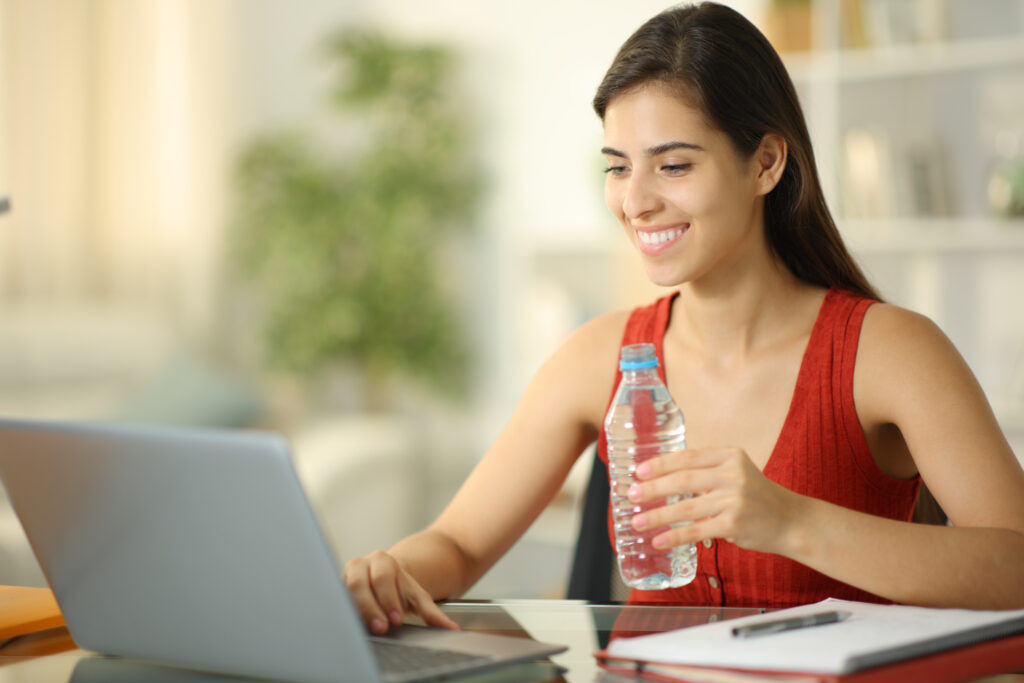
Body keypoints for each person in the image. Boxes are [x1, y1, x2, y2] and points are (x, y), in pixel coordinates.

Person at [344, 2, 1024, 634]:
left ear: (764, 162)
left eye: (672, 165)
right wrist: (390, 574)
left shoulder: (889, 352)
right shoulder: (598, 355)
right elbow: (458, 544)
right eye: (617, 167)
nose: (635, 201)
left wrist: (790, 521)